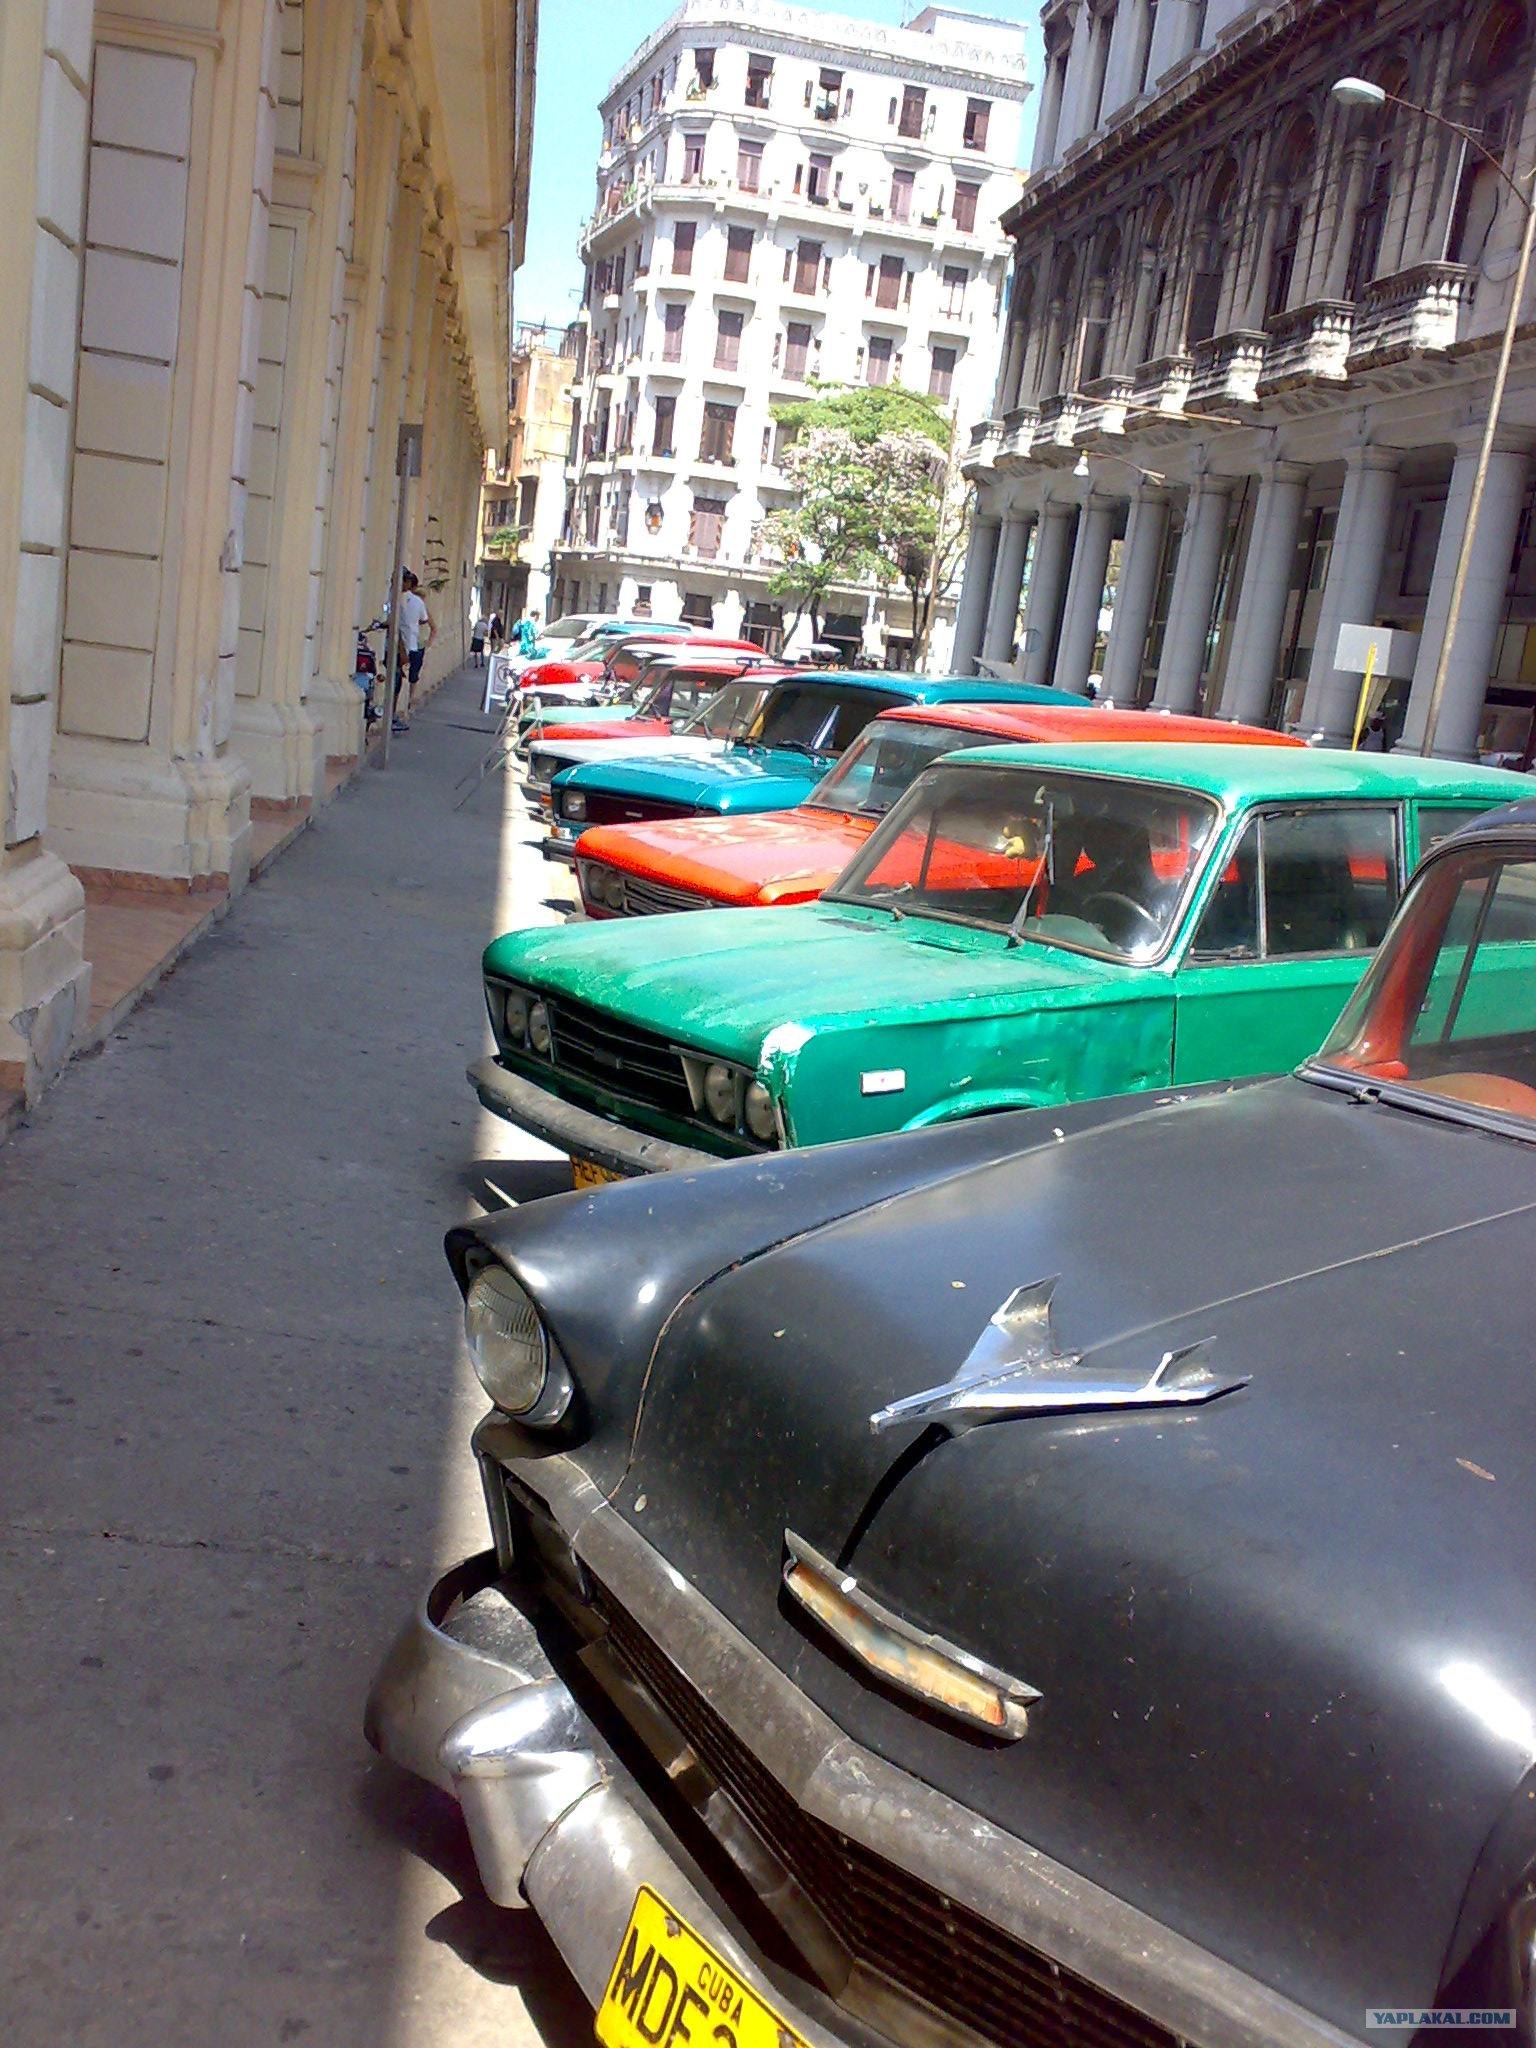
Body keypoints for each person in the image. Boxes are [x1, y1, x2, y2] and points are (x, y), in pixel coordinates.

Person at [393, 568, 432, 733]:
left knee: (397, 680)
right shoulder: (417, 602)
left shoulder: (396, 598)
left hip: (398, 644)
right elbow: (425, 620)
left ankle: (395, 712)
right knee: (406, 679)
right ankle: (402, 709)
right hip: (411, 644)